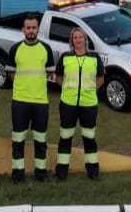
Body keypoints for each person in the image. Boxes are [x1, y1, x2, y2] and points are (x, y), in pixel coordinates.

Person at [6, 13, 55, 183]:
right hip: (20, 101)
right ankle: (18, 174)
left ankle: (40, 173)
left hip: (41, 102)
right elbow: (11, 73)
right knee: (18, 139)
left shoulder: (46, 49)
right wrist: (23, 86)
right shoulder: (15, 49)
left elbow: (50, 74)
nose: (31, 31)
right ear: (23, 30)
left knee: (40, 140)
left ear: (38, 29)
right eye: (28, 28)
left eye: (34, 28)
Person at [55, 26, 105, 181]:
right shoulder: (65, 57)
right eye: (75, 38)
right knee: (65, 137)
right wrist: (67, 88)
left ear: (85, 39)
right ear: (71, 41)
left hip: (88, 104)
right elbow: (58, 77)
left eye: (80, 37)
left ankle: (93, 171)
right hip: (68, 103)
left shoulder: (94, 58)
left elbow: (101, 78)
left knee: (89, 137)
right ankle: (62, 171)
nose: (78, 40)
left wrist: (90, 89)